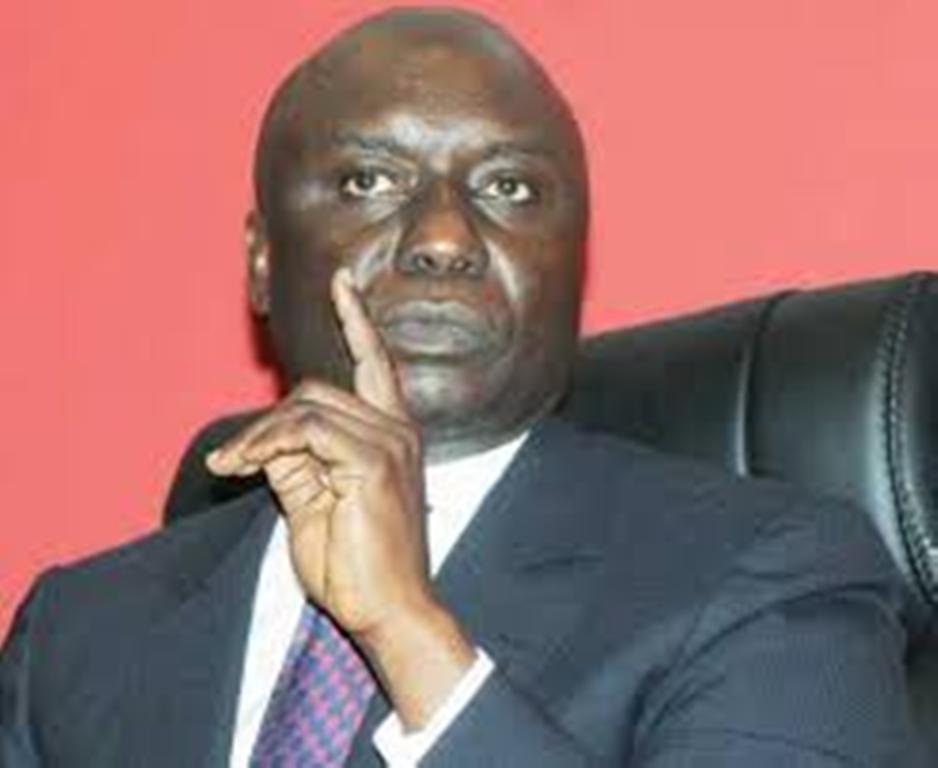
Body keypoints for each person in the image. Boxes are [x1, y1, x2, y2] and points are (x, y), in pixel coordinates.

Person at [0, 7, 923, 766]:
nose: (444, 238)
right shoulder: (78, 636)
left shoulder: (772, 581)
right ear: (263, 258)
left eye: (510, 189)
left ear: (574, 256)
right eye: (369, 180)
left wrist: (411, 639)